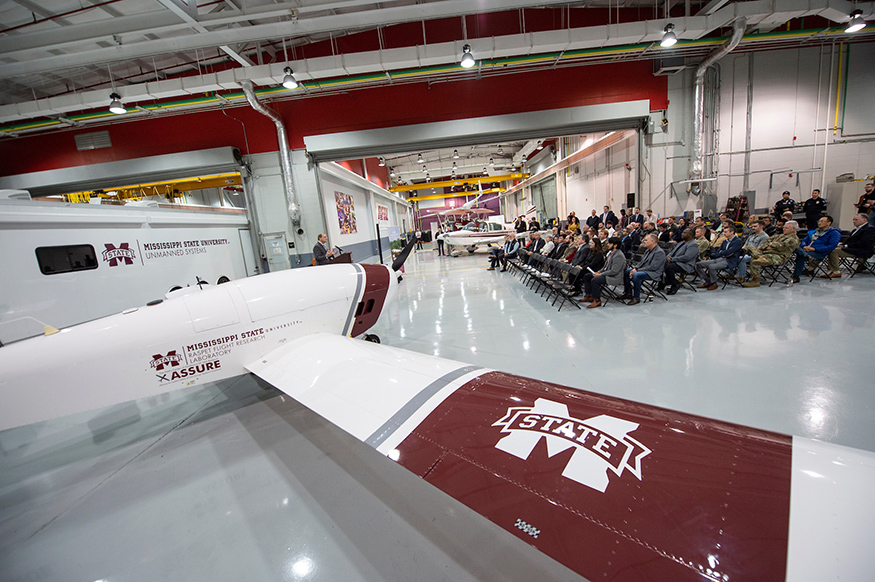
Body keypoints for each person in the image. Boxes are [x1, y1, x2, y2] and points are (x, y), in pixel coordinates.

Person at [743, 221, 800, 287]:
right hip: (766, 253)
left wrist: (769, 246)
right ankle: (758, 256)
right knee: (750, 248)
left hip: (779, 256)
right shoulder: (780, 236)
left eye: (786, 228)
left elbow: (780, 246)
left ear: (794, 229)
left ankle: (755, 280)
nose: (784, 229)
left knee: (755, 260)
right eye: (784, 227)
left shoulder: (793, 239)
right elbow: (767, 240)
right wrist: (767, 246)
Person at [791, 215, 841, 282]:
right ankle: (805, 254)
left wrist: (814, 249)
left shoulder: (834, 233)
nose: (819, 223)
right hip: (806, 250)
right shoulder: (814, 232)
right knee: (795, 248)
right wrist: (804, 246)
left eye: (822, 221)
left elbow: (831, 246)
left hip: (819, 252)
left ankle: (796, 276)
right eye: (819, 221)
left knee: (801, 255)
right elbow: (804, 240)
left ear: (829, 223)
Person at [695, 222, 743, 290]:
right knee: (698, 264)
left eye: (726, 232)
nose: (724, 234)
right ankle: (708, 281)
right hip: (720, 259)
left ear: (732, 232)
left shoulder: (738, 241)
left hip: (730, 261)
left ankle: (714, 283)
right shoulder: (725, 241)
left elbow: (730, 252)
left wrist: (723, 252)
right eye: (724, 232)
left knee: (712, 267)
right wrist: (724, 253)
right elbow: (719, 252)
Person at [579, 237, 625, 309]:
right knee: (587, 276)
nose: (608, 245)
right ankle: (589, 295)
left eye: (610, 243)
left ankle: (597, 300)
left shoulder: (619, 255)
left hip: (614, 277)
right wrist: (598, 272)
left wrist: (600, 274)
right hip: (606, 274)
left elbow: (614, 271)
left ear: (615, 245)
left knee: (595, 280)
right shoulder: (611, 253)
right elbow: (605, 267)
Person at [620, 233, 665, 305]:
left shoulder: (659, 252)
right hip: (645, 270)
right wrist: (635, 268)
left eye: (646, 240)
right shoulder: (648, 250)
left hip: (653, 273)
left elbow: (653, 267)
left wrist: (637, 270)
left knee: (636, 275)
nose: (644, 241)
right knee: (627, 271)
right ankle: (628, 292)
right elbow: (641, 262)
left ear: (652, 241)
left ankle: (636, 297)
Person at [662, 229, 699, 295]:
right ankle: (663, 282)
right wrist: (668, 257)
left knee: (669, 267)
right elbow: (672, 252)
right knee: (660, 264)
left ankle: (675, 284)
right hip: (675, 262)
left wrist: (672, 259)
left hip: (685, 265)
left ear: (690, 234)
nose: (682, 234)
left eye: (684, 233)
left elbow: (687, 257)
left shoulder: (693, 245)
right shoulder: (681, 243)